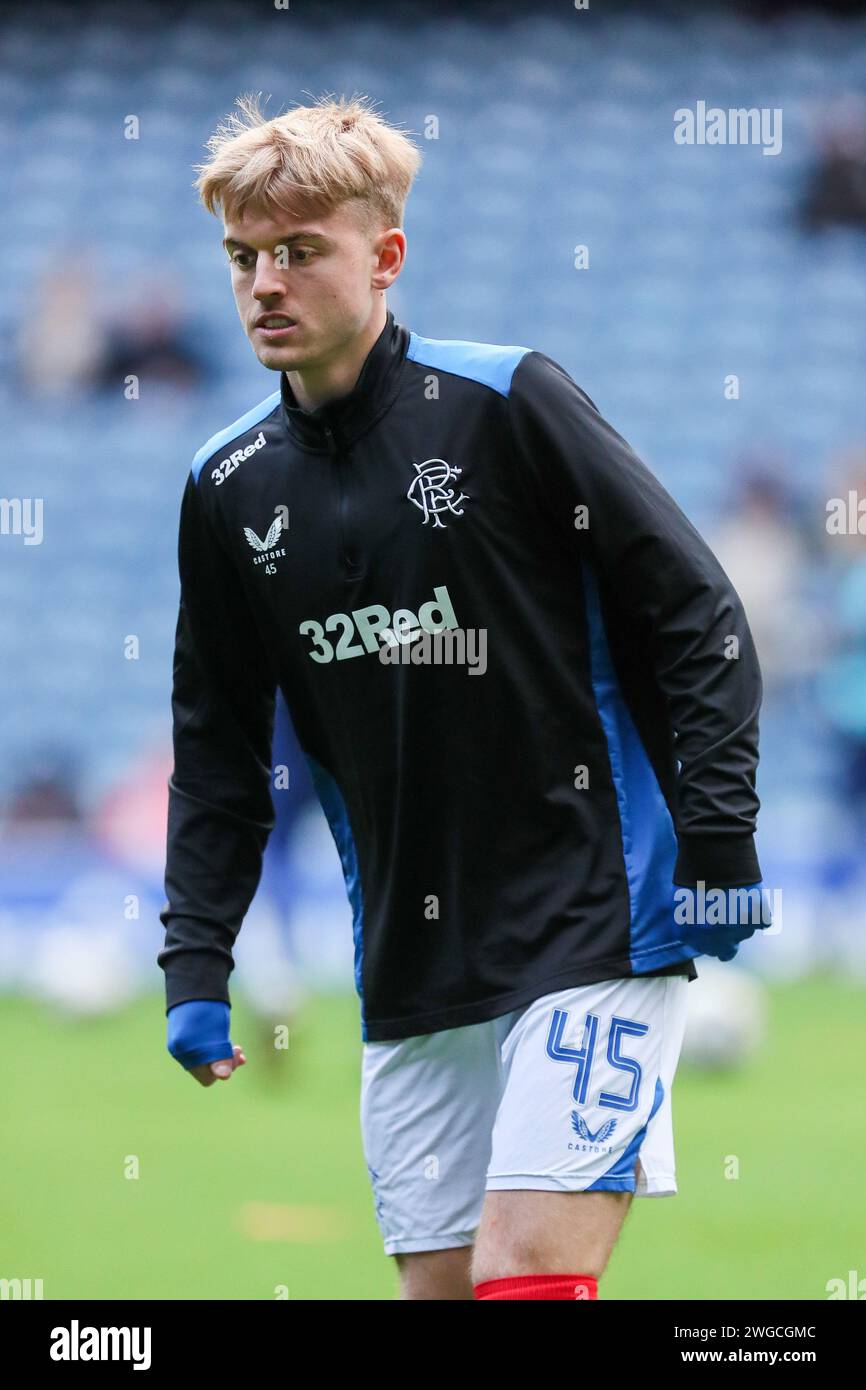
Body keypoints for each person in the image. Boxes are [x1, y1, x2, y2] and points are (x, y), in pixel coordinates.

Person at [157, 93, 769, 1302]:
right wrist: (195, 962)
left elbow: (694, 606)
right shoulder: (224, 485)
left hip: (593, 910)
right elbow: (217, 748)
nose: (263, 285)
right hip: (409, 951)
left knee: (524, 1284)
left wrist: (715, 837)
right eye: (242, 258)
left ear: (383, 257)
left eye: (297, 251)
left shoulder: (506, 402)